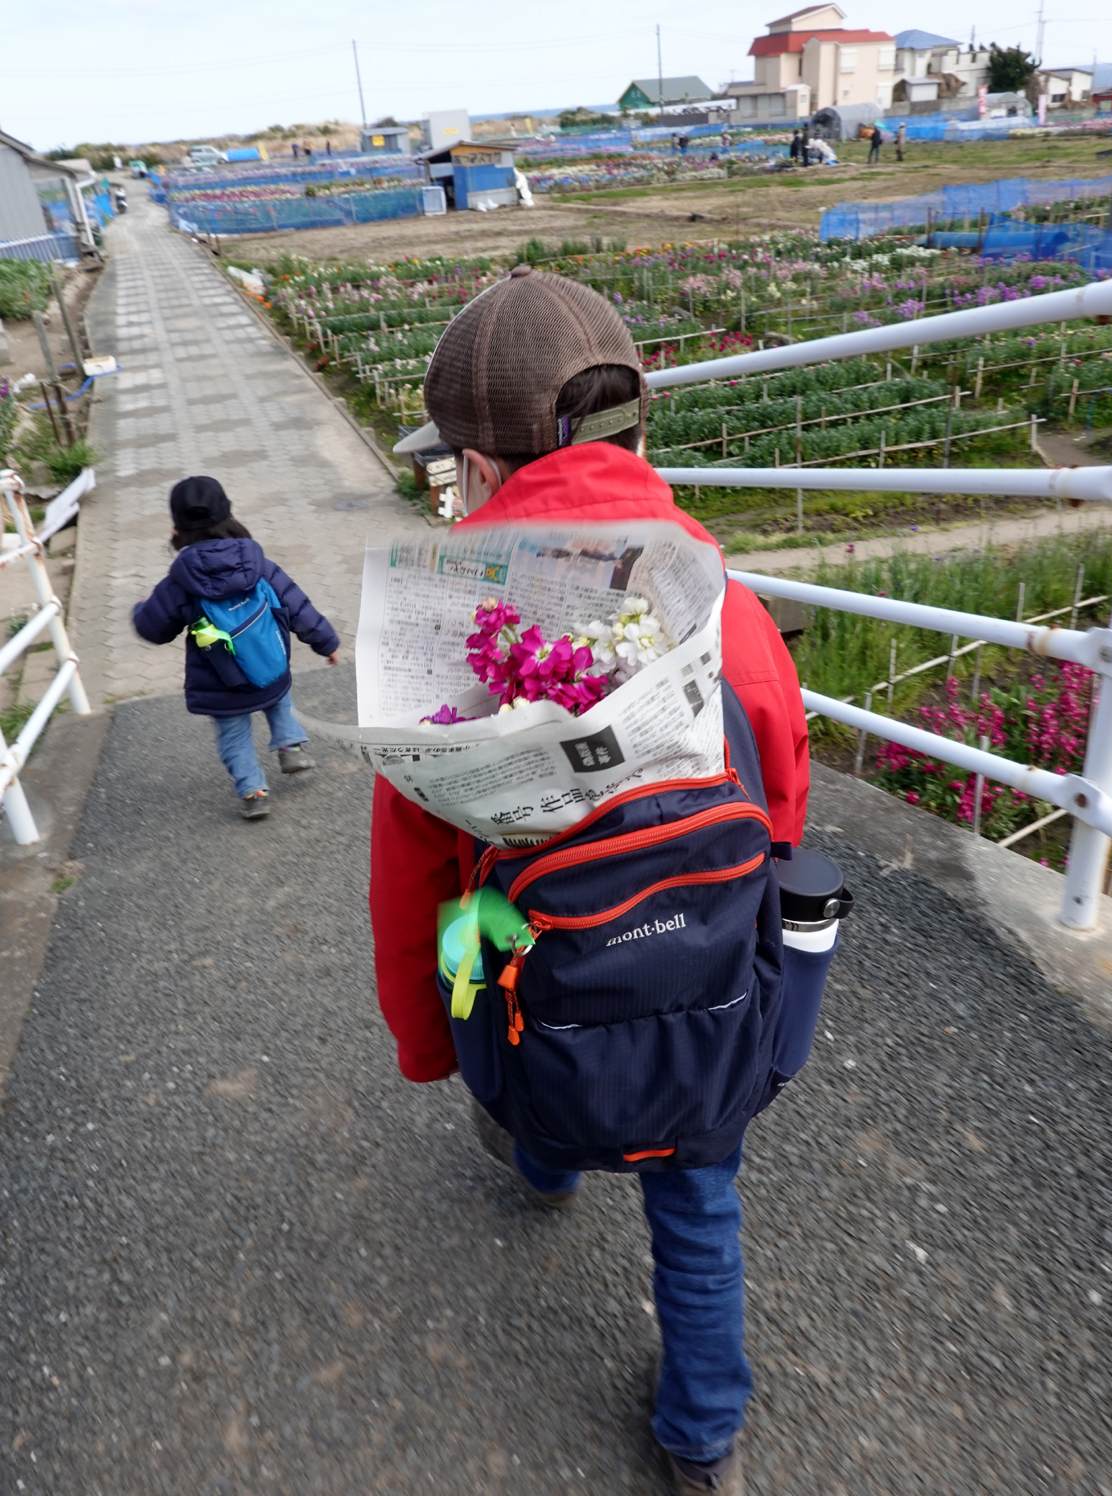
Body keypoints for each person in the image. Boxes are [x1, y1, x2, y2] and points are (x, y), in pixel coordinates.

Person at [373, 268, 809, 1495]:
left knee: (513, 1005)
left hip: (525, 962)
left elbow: (418, 881)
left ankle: (544, 1146)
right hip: (701, 977)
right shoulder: (720, 598)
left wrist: (432, 1040)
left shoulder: (442, 630)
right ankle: (702, 1433)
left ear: (472, 463)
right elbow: (777, 799)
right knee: (699, 1208)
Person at [132, 476, 340, 820]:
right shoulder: (259, 566)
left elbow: (153, 629)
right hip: (269, 665)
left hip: (220, 680)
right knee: (278, 696)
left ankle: (254, 792)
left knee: (234, 735)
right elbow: (298, 606)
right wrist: (327, 643)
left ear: (176, 531)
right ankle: (290, 747)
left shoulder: (178, 583)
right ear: (230, 517)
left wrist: (141, 607)